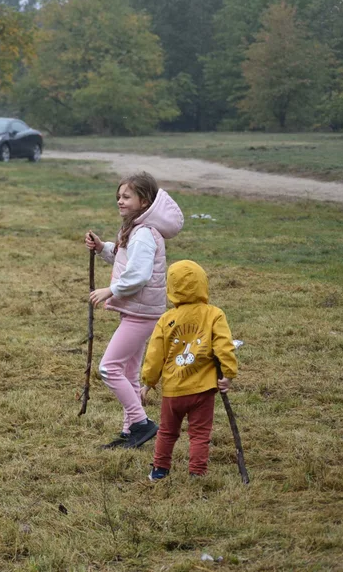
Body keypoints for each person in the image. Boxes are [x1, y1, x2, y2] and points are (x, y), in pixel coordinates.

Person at [85, 172, 184, 449]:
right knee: (128, 373)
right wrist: (102, 247)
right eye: (118, 196)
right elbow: (124, 259)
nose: (120, 201)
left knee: (109, 368)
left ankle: (141, 423)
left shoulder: (143, 234)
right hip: (139, 311)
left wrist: (111, 290)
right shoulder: (136, 230)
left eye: (126, 196)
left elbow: (138, 275)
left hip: (142, 314)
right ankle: (131, 432)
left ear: (145, 201)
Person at [141, 260, 238, 479]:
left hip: (173, 391)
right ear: (204, 283)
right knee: (200, 434)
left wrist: (148, 382)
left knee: (167, 432)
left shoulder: (166, 319)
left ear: (170, 288)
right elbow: (224, 346)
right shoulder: (214, 314)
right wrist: (229, 374)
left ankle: (159, 470)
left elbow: (154, 354)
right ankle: (197, 473)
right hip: (202, 390)